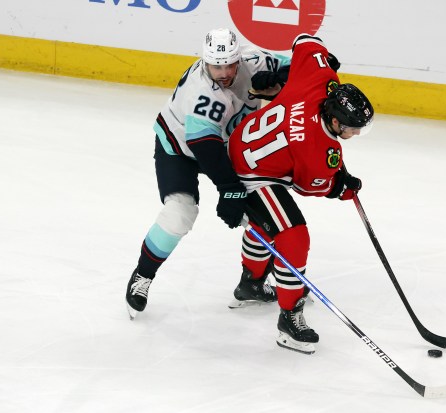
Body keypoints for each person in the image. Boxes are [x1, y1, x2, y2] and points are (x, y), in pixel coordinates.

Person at [125, 28, 291, 320]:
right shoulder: (201, 91)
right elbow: (204, 146)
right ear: (205, 61)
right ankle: (143, 275)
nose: (225, 71)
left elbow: (298, 62)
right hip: (179, 149)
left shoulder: (253, 61)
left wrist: (289, 75)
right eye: (217, 65)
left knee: (266, 210)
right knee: (180, 213)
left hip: (228, 145)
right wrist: (229, 188)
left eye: (230, 64)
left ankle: (251, 283)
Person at [227, 33, 374, 354]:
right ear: (334, 121)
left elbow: (306, 41)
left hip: (246, 142)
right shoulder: (316, 150)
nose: (356, 133)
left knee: (266, 223)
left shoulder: (318, 80)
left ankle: (251, 284)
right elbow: (310, 185)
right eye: (351, 128)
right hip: (253, 173)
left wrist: (324, 60)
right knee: (293, 234)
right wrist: (342, 187)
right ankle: (289, 318)